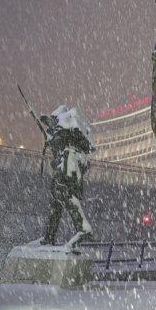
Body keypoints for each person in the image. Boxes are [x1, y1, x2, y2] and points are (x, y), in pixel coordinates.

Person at [40, 105, 94, 250]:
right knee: (56, 202)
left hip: (67, 168)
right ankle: (49, 236)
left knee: (64, 196)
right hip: (67, 167)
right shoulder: (69, 131)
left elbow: (57, 141)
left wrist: (49, 137)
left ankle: (83, 227)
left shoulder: (66, 126)